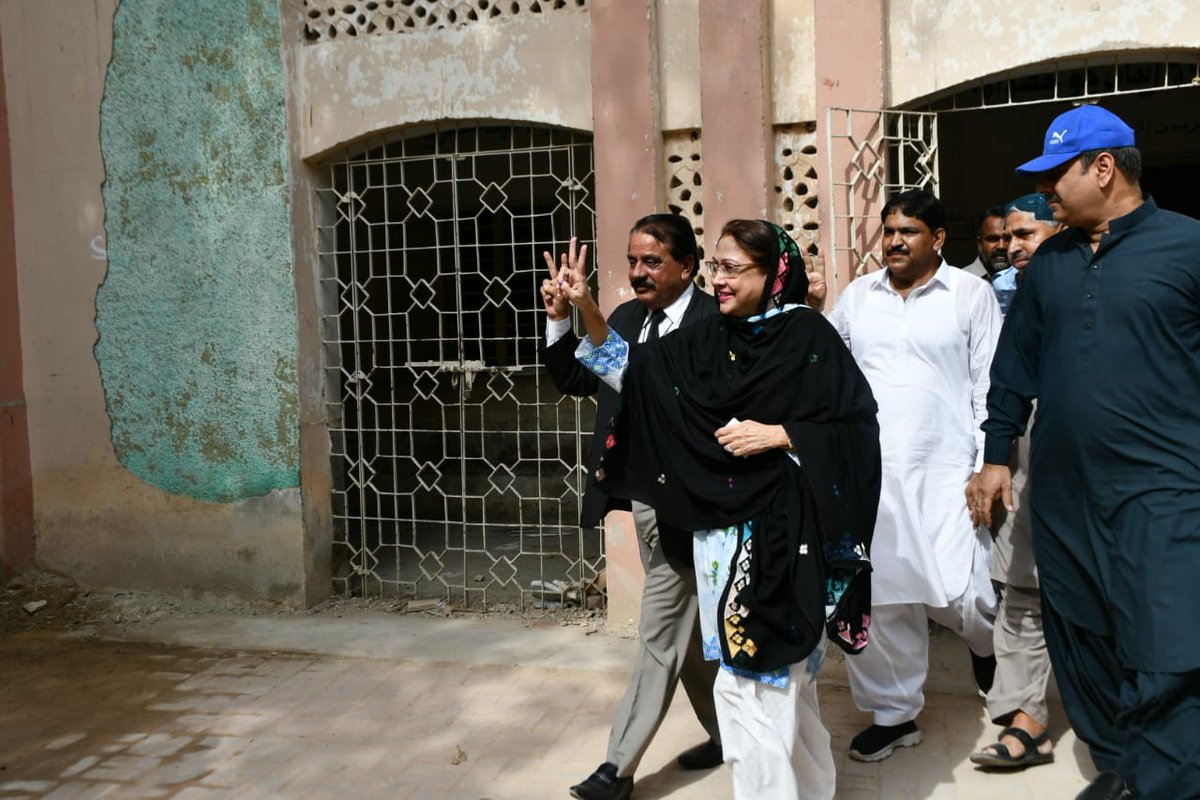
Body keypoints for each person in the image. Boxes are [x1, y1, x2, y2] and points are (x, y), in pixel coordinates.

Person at [561, 219, 879, 799]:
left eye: (734, 268)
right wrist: (585, 307)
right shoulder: (705, 342)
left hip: (785, 534)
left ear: (772, 272)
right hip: (716, 541)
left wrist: (782, 434)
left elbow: (855, 428)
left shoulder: (809, 338)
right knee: (753, 687)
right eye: (716, 266)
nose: (720, 279)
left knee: (773, 687)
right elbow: (631, 374)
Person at [971, 104, 1200, 800]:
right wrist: (996, 454)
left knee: (1166, 644)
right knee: (1081, 636)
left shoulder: (1188, 247)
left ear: (1104, 168)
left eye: (1055, 174)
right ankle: (1126, 767)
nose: (1044, 190)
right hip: (1066, 495)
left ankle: (1169, 783)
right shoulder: (1051, 266)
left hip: (1164, 491)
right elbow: (1015, 366)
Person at [541, 215, 723, 800]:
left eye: (652, 261)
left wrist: (589, 310)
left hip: (692, 504)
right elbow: (576, 376)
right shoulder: (624, 317)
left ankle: (615, 770)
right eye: (633, 260)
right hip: (645, 498)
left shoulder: (709, 324)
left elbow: (634, 374)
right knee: (685, 637)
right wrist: (561, 318)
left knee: (658, 630)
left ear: (687, 266)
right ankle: (729, 732)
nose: (638, 272)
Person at [828, 189, 1001, 762]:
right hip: (872, 475)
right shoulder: (857, 298)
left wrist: (986, 464)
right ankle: (894, 714)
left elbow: (987, 386)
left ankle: (985, 648)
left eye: (909, 231)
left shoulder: (970, 295)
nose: (896, 241)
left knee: (969, 594)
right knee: (881, 597)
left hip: (948, 472)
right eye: (890, 231)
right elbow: (826, 371)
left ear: (939, 239)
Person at [967, 193, 1061, 771]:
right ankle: (1026, 722)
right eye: (1008, 236)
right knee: (1020, 585)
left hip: (1097, 456)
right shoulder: (998, 294)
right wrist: (993, 459)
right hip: (1021, 449)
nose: (1013, 246)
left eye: (1027, 234)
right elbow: (1001, 386)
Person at [960, 206, 1008, 280]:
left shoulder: (1026, 279)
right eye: (993, 239)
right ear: (979, 243)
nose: (1001, 246)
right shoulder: (960, 280)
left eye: (1008, 239)